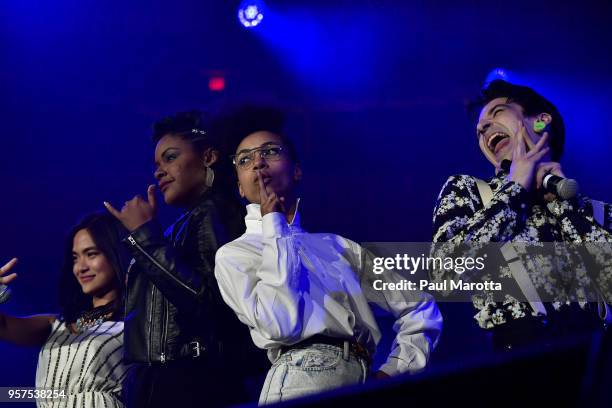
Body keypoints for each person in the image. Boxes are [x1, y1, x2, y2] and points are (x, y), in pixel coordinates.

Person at [213, 106, 443, 404]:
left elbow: (419, 308)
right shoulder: (235, 254)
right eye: (245, 159)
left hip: (363, 378)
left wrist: (393, 372)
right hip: (299, 378)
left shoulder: (338, 247)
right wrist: (274, 225)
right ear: (240, 188)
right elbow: (281, 323)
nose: (257, 162)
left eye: (270, 151)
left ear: (296, 170)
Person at [431, 79, 612, 350]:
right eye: (479, 130)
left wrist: (563, 205)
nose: (483, 128)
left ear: (541, 122)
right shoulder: (468, 192)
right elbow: (446, 275)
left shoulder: (597, 211)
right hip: (519, 365)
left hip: (598, 363)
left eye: (497, 112)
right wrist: (514, 189)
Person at [104, 111, 264, 408]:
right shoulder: (185, 223)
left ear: (208, 157)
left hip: (194, 385)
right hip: (167, 384)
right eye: (156, 164)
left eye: (170, 158)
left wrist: (144, 237)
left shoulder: (214, 213)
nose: (159, 172)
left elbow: (209, 300)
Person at [0, 212, 131, 407]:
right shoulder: (59, 324)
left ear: (116, 254)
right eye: (75, 258)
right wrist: (8, 395)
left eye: (91, 254)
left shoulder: (136, 323)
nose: (80, 267)